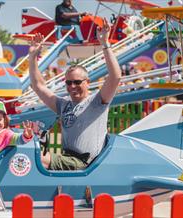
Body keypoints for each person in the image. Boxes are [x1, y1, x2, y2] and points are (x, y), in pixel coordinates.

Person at [28, 19, 121, 170]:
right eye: (69, 83)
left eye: (77, 82)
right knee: (28, 155)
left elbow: (115, 77)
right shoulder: (63, 104)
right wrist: (32, 57)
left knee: (34, 158)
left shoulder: (97, 102)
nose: (72, 86)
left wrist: (105, 43)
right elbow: (38, 86)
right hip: (67, 158)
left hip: (84, 163)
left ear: (87, 82)